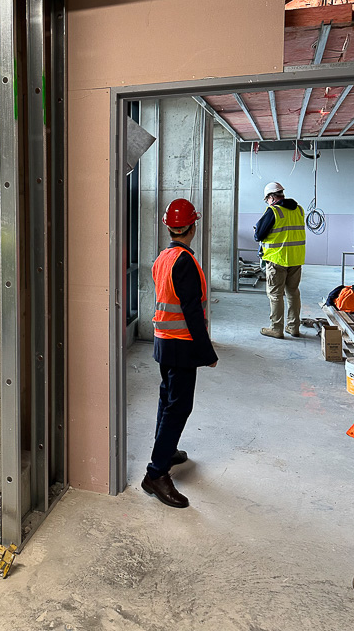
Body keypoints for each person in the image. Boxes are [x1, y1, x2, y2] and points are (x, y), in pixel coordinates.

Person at [141, 199, 218, 509]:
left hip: (164, 340)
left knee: (168, 399)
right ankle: (156, 473)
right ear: (193, 227)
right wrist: (206, 352)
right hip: (182, 343)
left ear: (170, 228)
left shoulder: (164, 257)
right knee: (179, 406)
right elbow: (191, 311)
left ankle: (167, 450)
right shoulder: (184, 261)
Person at [254, 181, 306, 340]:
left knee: (276, 294)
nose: (267, 202)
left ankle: (276, 329)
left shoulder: (273, 211)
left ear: (271, 197)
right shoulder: (299, 209)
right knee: (293, 292)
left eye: (267, 199)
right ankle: (294, 327)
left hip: (277, 259)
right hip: (296, 258)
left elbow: (259, 235)